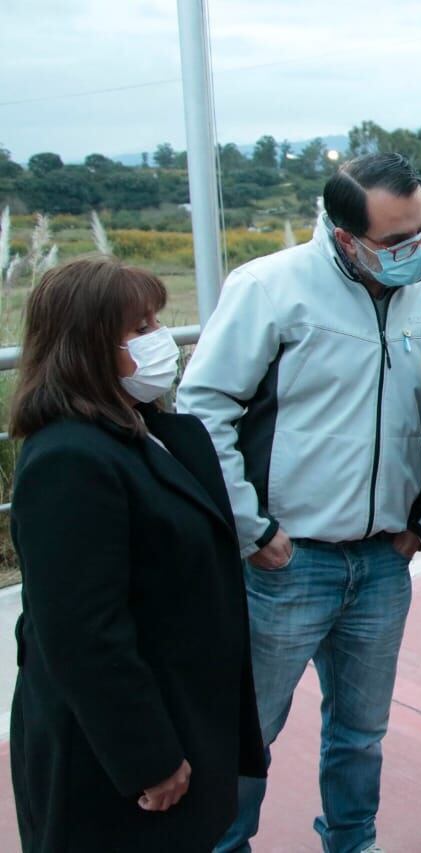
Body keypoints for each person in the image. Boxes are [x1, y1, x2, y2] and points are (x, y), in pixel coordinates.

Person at [178, 153, 421, 853]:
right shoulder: (271, 289)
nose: (416, 250)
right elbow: (203, 409)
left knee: (361, 732)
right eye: (397, 241)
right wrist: (253, 529)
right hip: (286, 562)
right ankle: (223, 842)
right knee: (251, 729)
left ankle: (352, 840)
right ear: (344, 237)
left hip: (384, 562)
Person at [8, 257, 265, 852]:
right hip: (115, 753)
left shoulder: (145, 429)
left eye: (156, 322)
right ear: (86, 347)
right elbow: (83, 633)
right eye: (138, 329)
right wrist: (147, 757)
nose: (160, 341)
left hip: (182, 714)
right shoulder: (69, 460)